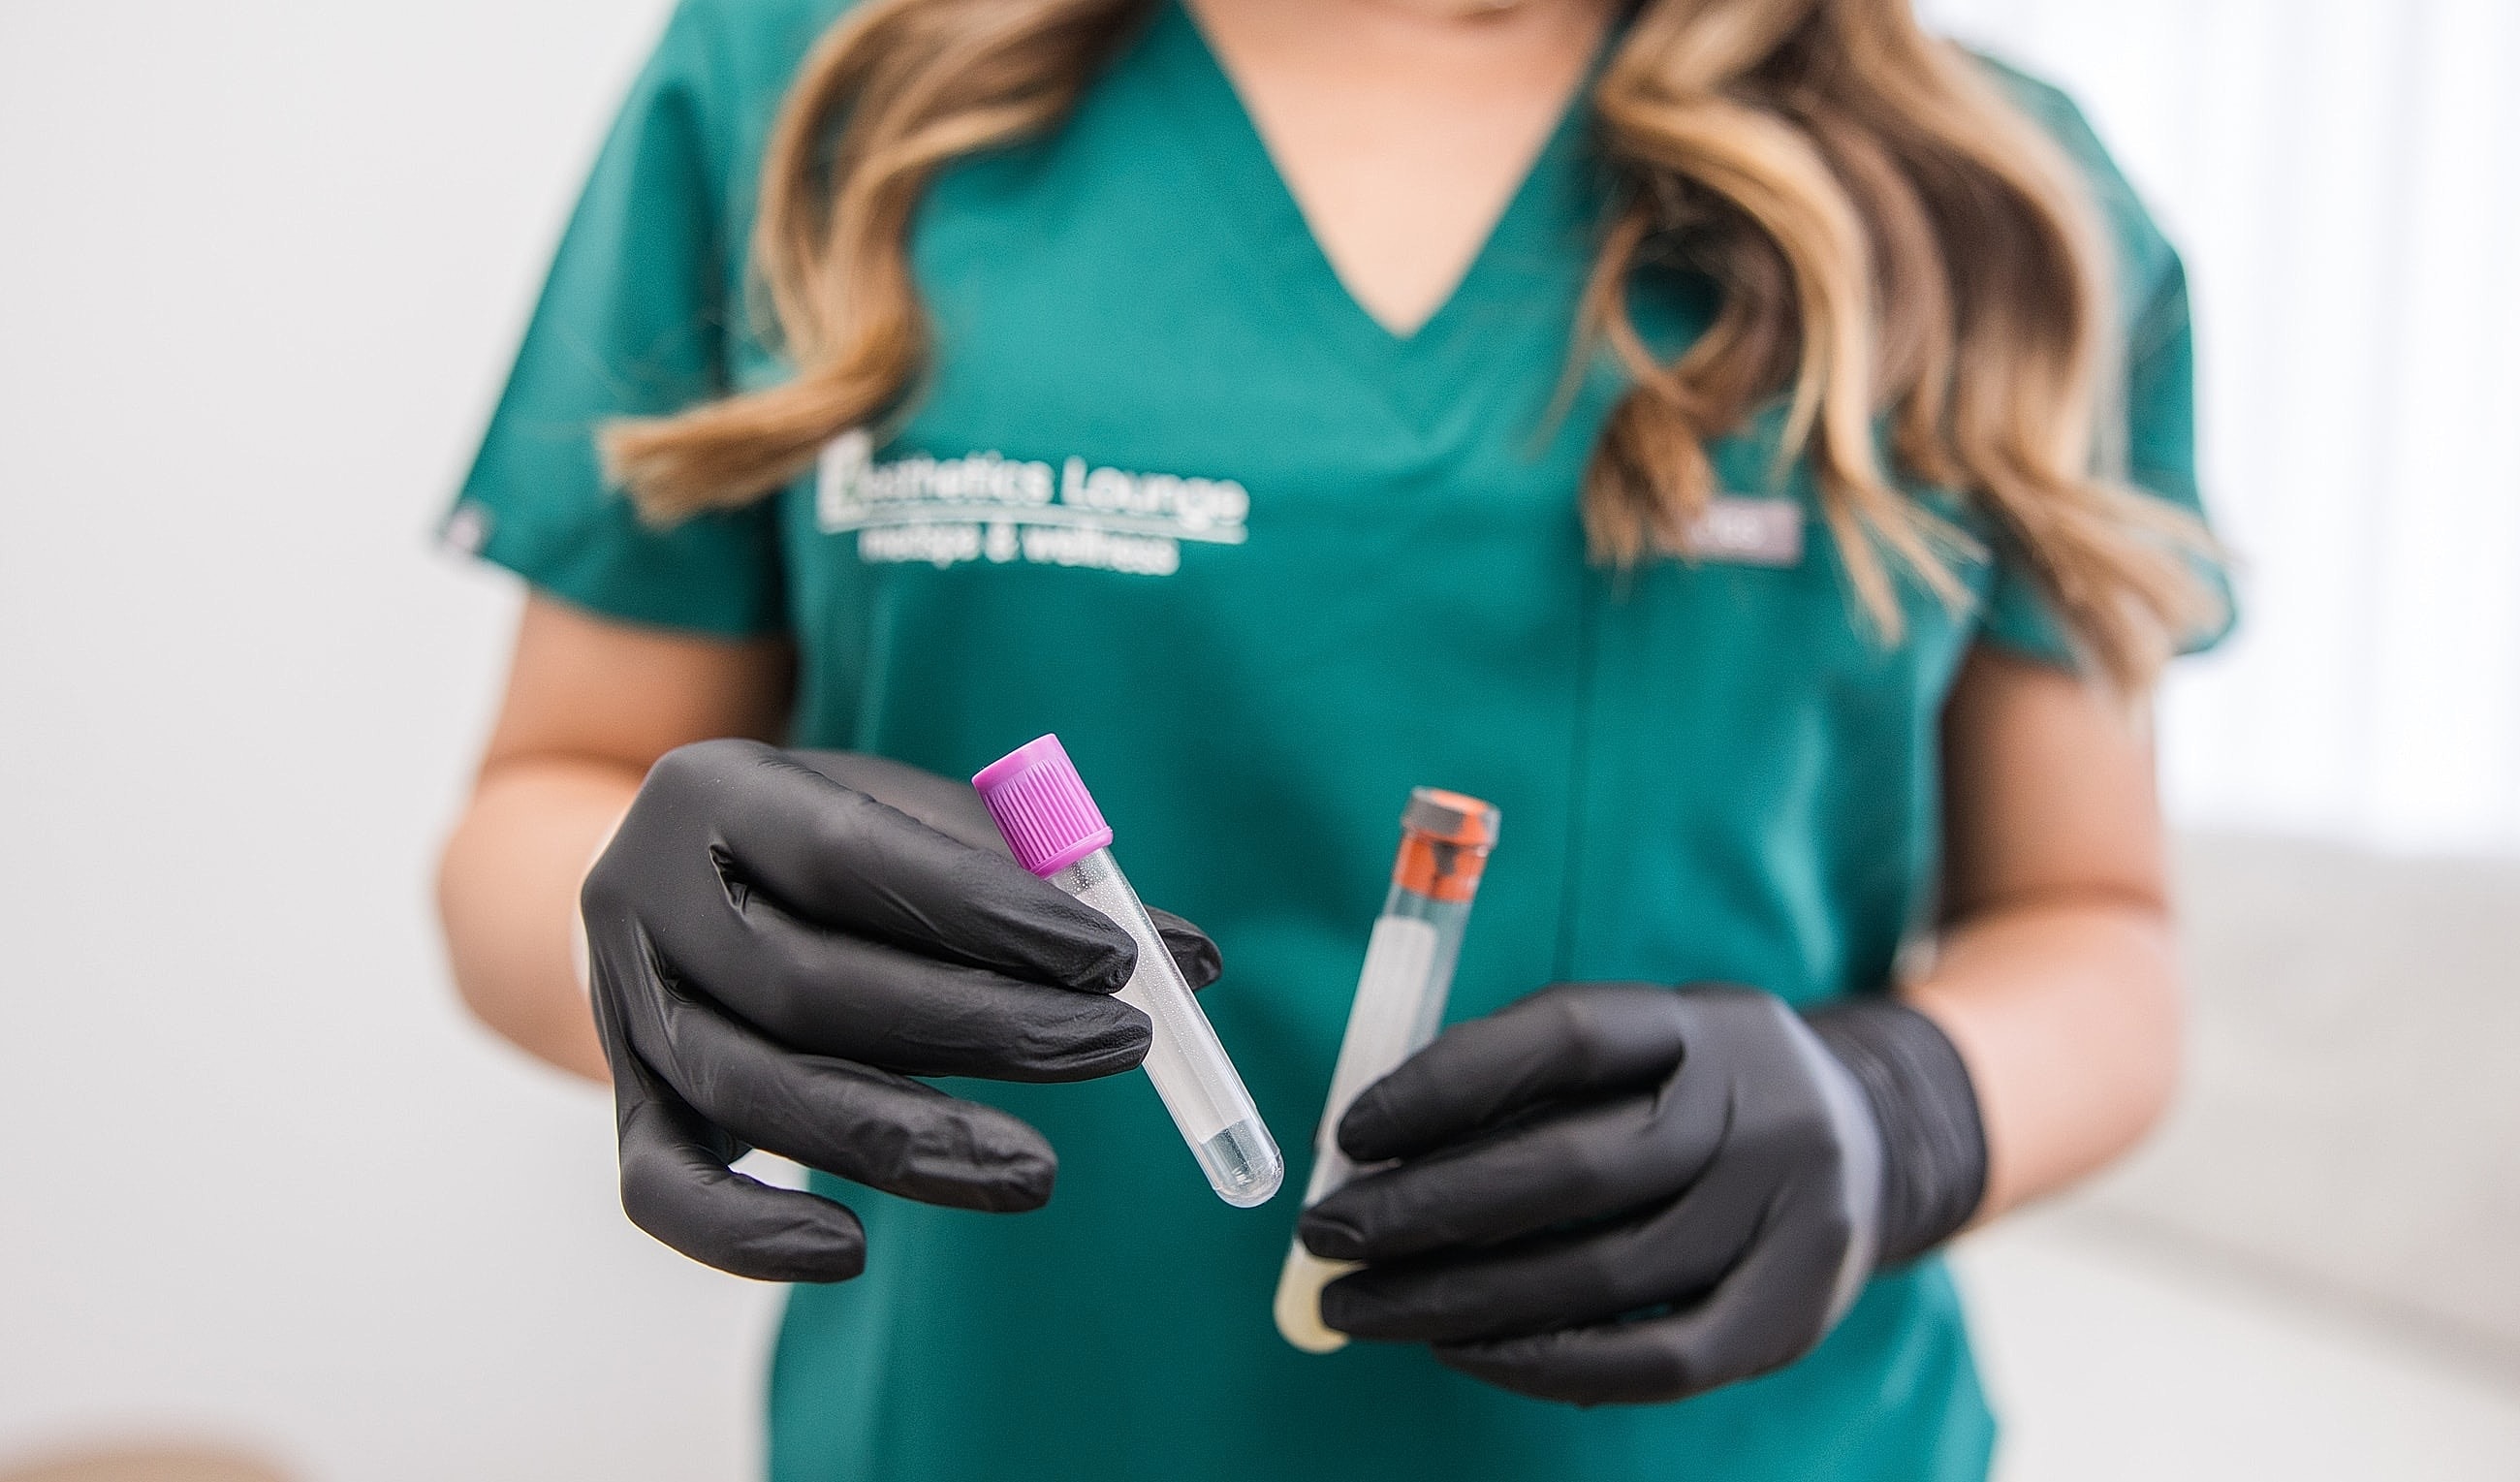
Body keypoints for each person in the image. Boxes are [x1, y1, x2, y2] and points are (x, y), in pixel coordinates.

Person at [434, 0, 2231, 1476]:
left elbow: (2100, 927)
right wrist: (674, 941)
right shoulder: (805, 89)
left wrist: (1899, 1110)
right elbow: (537, 812)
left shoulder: (1989, 194)